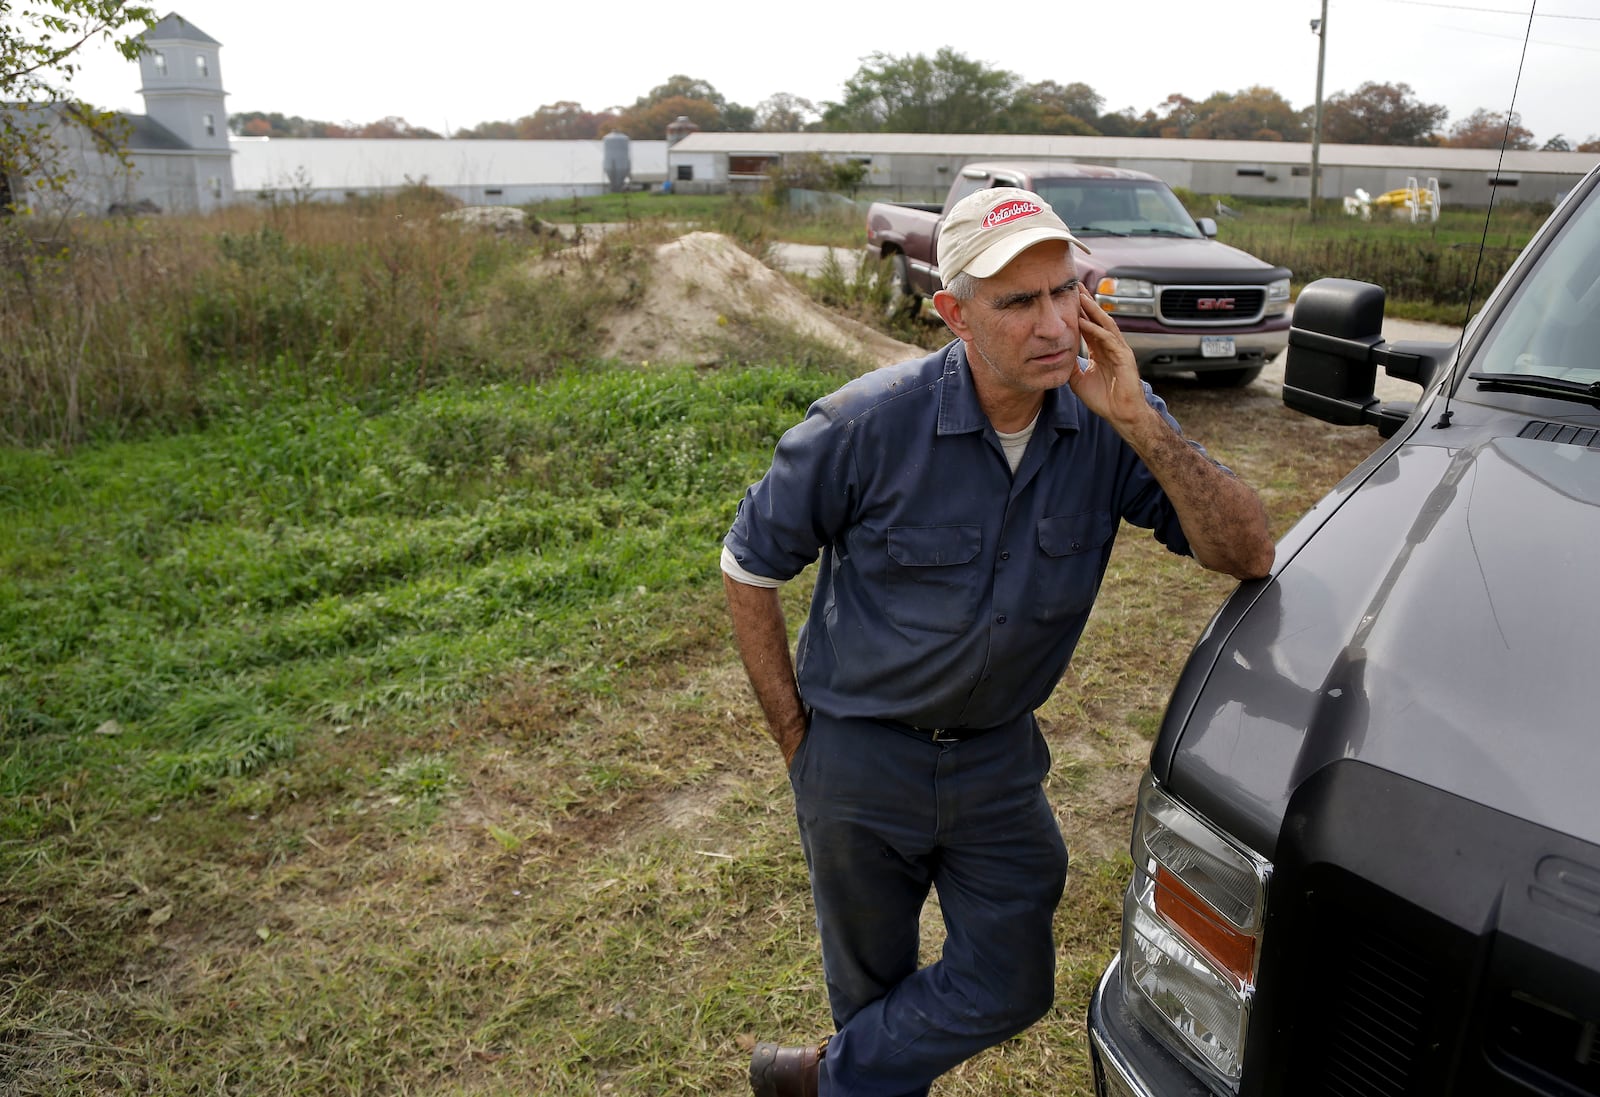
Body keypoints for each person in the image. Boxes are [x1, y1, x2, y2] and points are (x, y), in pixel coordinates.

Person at [720, 186, 1276, 1097]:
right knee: (871, 987)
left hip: (997, 762)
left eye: (1067, 290)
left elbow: (1245, 550)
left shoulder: (1104, 424)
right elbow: (749, 566)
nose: (1056, 323)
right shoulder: (862, 426)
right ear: (955, 315)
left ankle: (820, 1082)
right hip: (860, 759)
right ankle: (856, 1072)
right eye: (1019, 302)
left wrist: (1138, 419)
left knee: (1015, 982)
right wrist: (796, 741)